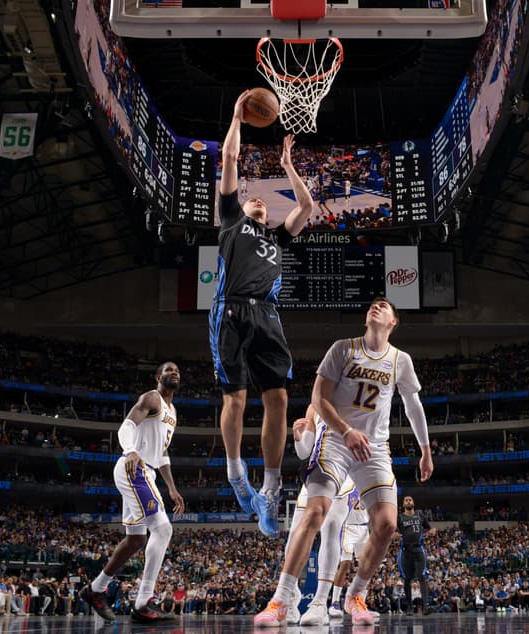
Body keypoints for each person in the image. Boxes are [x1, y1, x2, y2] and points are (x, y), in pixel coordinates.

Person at [253, 297, 433, 626]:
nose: (377, 307)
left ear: (393, 322)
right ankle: (280, 599)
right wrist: (346, 430)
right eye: (373, 304)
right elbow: (318, 398)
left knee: (387, 524)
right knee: (317, 511)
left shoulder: (400, 361)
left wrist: (425, 449)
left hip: (375, 448)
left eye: (385, 306)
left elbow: (413, 406)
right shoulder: (343, 349)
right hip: (336, 441)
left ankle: (355, 595)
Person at [211, 91, 313, 538]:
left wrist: (288, 166)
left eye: (263, 203)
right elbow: (230, 158)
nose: (259, 202)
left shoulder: (279, 238)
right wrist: (236, 115)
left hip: (268, 315)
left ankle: (270, 490)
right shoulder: (231, 219)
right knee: (235, 398)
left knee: (280, 399)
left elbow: (306, 208)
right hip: (230, 311)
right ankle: (237, 474)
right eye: (253, 199)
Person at [80, 362, 186, 623]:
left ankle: (95, 589)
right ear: (158, 376)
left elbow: (162, 453)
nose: (175, 372)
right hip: (134, 467)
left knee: (137, 540)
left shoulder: (172, 411)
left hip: (147, 471)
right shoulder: (152, 398)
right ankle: (143, 602)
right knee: (163, 529)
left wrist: (171, 487)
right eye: (169, 369)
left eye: (178, 371)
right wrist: (131, 450)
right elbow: (126, 426)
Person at [288, 405, 359, 626]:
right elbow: (303, 451)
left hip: (347, 471)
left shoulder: (359, 394)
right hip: (317, 470)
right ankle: (291, 598)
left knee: (331, 528)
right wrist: (298, 436)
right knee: (294, 536)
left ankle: (320, 602)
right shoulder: (314, 406)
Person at [396, 494, 437, 615]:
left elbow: (429, 528)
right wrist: (393, 535)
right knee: (407, 579)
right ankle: (409, 607)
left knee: (422, 576)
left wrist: (432, 531)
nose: (408, 501)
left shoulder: (420, 514)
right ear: (403, 504)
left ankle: (426, 606)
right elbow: (391, 530)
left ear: (413, 503)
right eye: (406, 500)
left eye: (410, 500)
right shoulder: (400, 517)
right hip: (405, 550)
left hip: (419, 550)